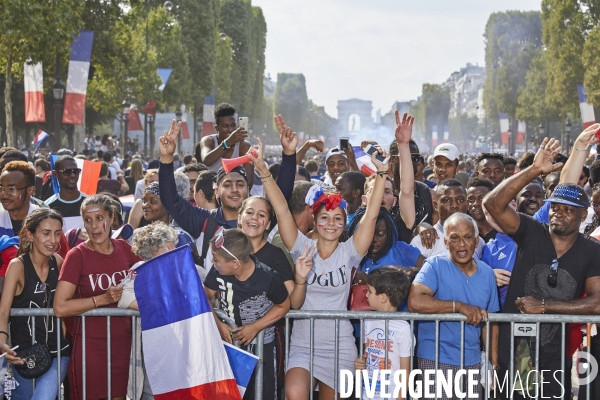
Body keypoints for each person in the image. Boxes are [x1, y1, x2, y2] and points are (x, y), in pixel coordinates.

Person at [256, 113, 394, 400]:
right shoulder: (300, 246)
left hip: (341, 344)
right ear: (314, 219)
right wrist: (265, 171)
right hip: (303, 343)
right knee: (294, 394)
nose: (331, 223)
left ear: (345, 223)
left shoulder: (351, 252)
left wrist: (381, 173)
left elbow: (370, 215)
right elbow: (281, 210)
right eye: (324, 217)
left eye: (337, 218)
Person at [483, 135, 600, 399]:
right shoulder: (532, 232)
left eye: (568, 210)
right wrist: (534, 170)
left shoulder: (592, 250)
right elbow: (492, 204)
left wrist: (545, 306)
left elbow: (597, 302)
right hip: (520, 347)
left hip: (555, 352)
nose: (558, 212)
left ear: (583, 215)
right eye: (554, 207)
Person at [54, 194, 142, 400]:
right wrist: (102, 299)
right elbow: (60, 307)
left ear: (112, 218)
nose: (94, 226)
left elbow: (150, 276)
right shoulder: (77, 255)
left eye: (100, 218)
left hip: (123, 344)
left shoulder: (124, 248)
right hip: (90, 347)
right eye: (87, 220)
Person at [408, 212, 499, 399]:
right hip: (435, 359)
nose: (462, 244)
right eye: (455, 238)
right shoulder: (434, 265)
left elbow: (491, 323)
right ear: (446, 242)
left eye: (467, 237)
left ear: (476, 240)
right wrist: (459, 307)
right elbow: (415, 301)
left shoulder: (487, 273)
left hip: (473, 361)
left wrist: (493, 364)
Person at [204, 228, 290, 400]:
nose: (213, 262)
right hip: (228, 346)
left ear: (235, 263)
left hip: (263, 348)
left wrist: (256, 327)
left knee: (262, 393)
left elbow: (284, 305)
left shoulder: (268, 277)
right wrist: (219, 324)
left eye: (216, 259)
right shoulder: (218, 271)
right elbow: (204, 296)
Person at [0, 209, 71, 400]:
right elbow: (4, 309)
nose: (53, 240)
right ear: (30, 235)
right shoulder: (17, 265)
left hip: (58, 352)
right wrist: (2, 340)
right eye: (46, 233)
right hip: (24, 355)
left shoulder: (58, 261)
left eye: (57, 233)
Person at [354, 267, 414, 400]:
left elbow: (405, 371)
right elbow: (365, 357)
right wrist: (359, 364)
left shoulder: (403, 328)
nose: (366, 295)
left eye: (370, 291)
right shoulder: (367, 321)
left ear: (383, 298)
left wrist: (400, 397)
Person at [411, 179, 485, 258]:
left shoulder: (478, 242)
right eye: (446, 200)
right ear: (436, 205)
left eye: (460, 200)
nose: (454, 205)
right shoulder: (424, 240)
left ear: (467, 203)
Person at [198, 103, 254, 186]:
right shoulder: (208, 141)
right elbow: (207, 161)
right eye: (225, 126)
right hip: (211, 194)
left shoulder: (244, 146)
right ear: (217, 128)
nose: (230, 129)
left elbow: (249, 182)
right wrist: (228, 142)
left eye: (233, 125)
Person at [44, 155, 87, 232]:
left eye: (76, 171)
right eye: (67, 172)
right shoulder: (47, 206)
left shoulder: (89, 203)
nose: (73, 175)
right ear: (56, 174)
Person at [466, 177, 496, 242]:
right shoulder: (466, 231)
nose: (476, 204)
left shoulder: (504, 230)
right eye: (471, 199)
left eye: (481, 198)